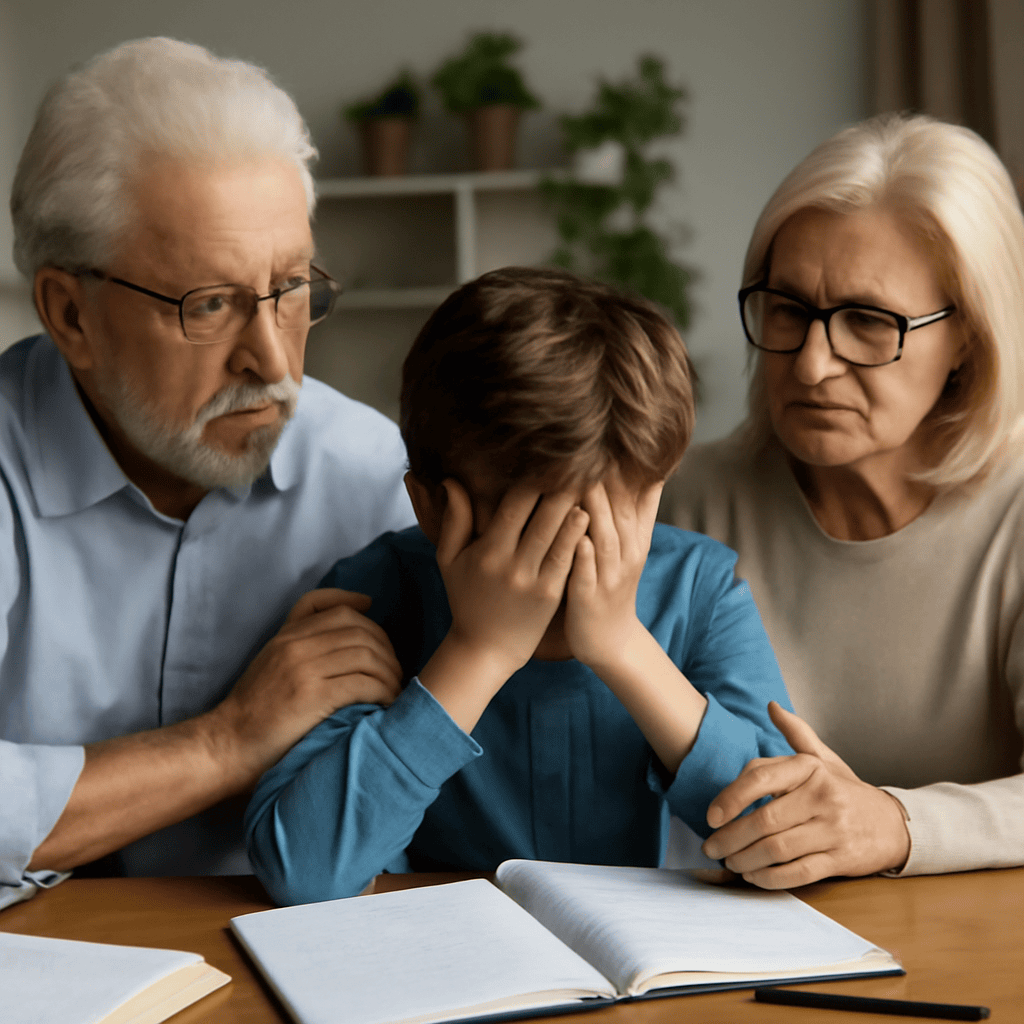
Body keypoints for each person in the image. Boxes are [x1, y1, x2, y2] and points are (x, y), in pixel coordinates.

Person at [0, 37, 415, 907]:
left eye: (291, 287)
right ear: (69, 314)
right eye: (211, 304)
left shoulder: (375, 476)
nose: (270, 359)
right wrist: (228, 741)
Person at [244, 266, 793, 906]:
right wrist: (478, 651)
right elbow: (303, 872)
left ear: (651, 497)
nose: (564, 578)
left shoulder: (701, 589)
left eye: (598, 536)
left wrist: (623, 647)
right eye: (532, 538)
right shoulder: (376, 596)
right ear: (428, 507)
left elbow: (787, 832)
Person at [661, 112, 1024, 887]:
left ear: (970, 336)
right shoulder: (678, 498)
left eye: (868, 321)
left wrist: (895, 823)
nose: (814, 365)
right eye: (788, 310)